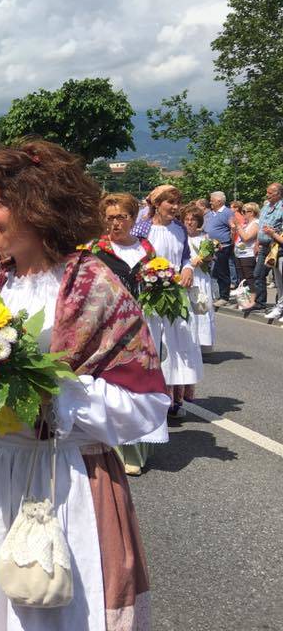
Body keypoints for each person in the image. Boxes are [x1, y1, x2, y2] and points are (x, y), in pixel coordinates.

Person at [0, 140, 169, 631]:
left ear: (38, 208)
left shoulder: (96, 286)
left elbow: (148, 406)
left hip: (71, 480)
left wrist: (53, 395)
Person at [91, 192, 167, 477]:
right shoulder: (97, 250)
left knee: (141, 384)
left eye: (121, 217)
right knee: (114, 383)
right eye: (109, 218)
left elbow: (160, 287)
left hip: (144, 326)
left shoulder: (147, 250)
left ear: (133, 219)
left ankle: (138, 446)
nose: (115, 224)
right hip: (109, 329)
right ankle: (114, 447)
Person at [133, 185, 201, 418]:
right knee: (153, 345)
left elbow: (185, 257)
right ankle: (150, 396)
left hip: (175, 296)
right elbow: (134, 258)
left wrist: (189, 268)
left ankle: (173, 399)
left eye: (177, 202)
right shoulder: (142, 228)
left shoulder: (180, 229)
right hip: (150, 296)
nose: (175, 207)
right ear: (156, 204)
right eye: (169, 202)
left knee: (175, 346)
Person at [184, 205, 216, 350]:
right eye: (186, 219)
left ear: (198, 222)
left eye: (193, 220)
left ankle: (201, 342)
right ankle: (187, 342)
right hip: (185, 276)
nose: (189, 222)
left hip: (200, 277)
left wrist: (205, 257)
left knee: (201, 308)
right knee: (187, 310)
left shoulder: (205, 238)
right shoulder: (180, 237)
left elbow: (210, 257)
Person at [253, 182, 283, 310]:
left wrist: (273, 233)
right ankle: (260, 303)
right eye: (267, 192)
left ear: (278, 194)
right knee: (258, 274)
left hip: (276, 247)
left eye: (270, 193)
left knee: (279, 278)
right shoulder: (265, 207)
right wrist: (257, 242)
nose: (267, 195)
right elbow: (260, 227)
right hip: (263, 246)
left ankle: (279, 305)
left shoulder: (281, 208)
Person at [203, 191, 233, 305]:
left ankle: (224, 297)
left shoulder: (227, 213)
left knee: (222, 272)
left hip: (222, 247)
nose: (210, 202)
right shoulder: (210, 214)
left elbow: (233, 229)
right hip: (209, 247)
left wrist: (229, 243)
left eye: (212, 200)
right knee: (211, 272)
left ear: (219, 201)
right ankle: (214, 294)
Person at [233, 202, 260, 304]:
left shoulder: (256, 223)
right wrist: (234, 229)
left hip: (248, 255)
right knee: (242, 278)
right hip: (240, 253)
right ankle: (245, 300)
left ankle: (253, 300)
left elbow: (246, 237)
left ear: (252, 212)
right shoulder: (246, 224)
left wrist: (238, 226)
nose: (242, 214)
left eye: (244, 212)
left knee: (250, 278)